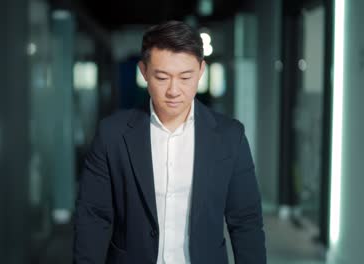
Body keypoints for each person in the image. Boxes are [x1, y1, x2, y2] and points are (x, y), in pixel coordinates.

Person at [73, 20, 266, 264]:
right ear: (144, 72)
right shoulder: (112, 134)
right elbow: (93, 217)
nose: (174, 90)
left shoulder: (230, 137)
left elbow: (245, 221)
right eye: (162, 77)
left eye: (186, 77)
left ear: (201, 71)